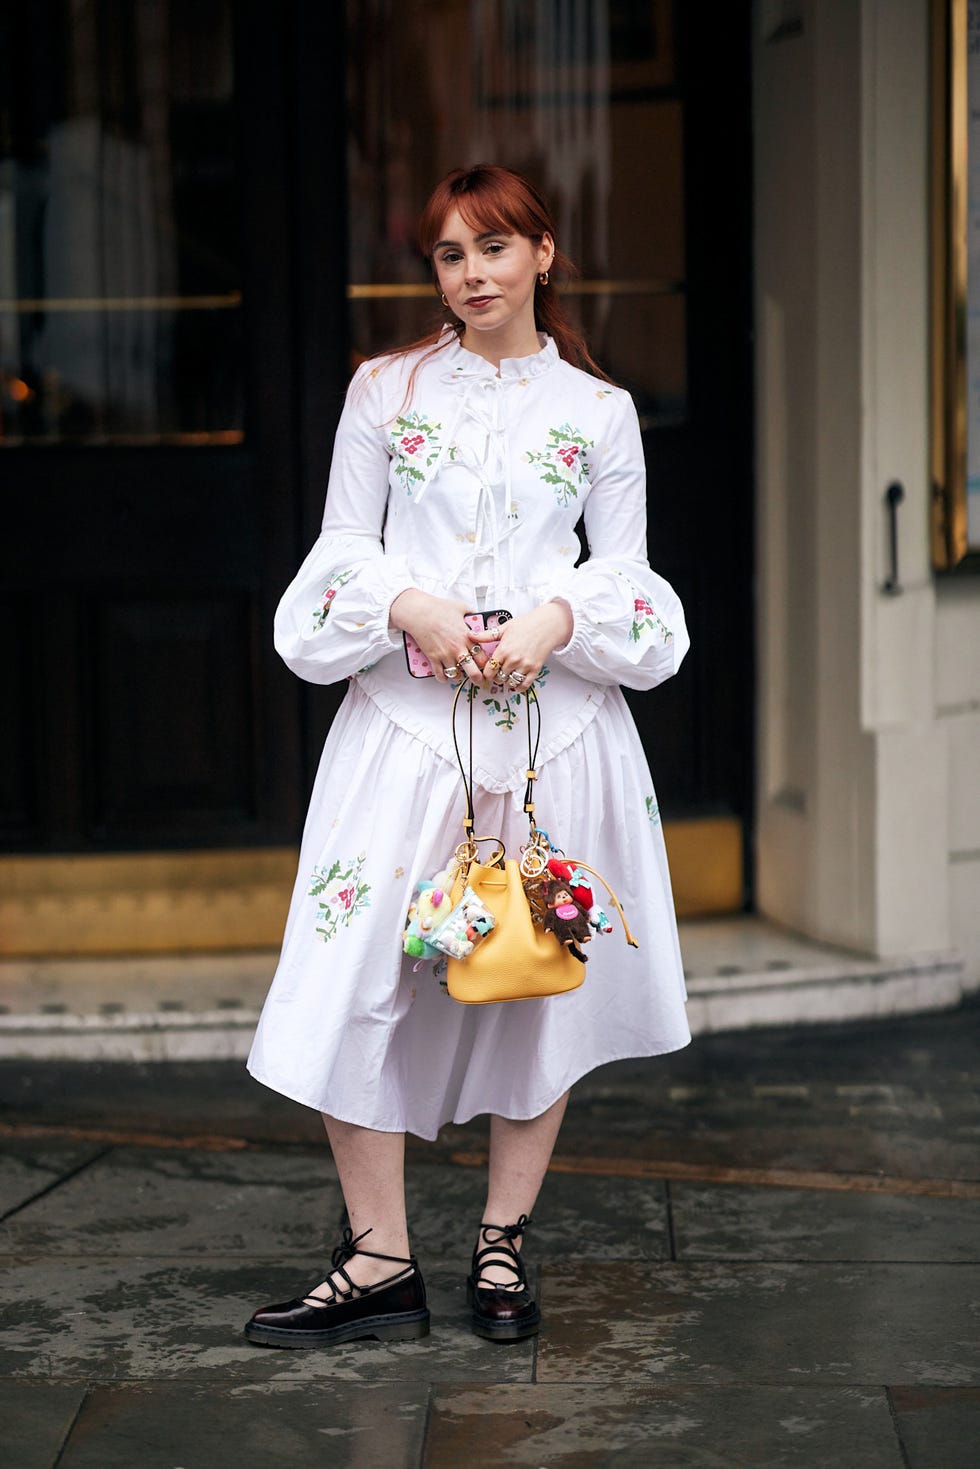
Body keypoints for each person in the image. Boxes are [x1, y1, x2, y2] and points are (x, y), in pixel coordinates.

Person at [244, 164, 691, 1349]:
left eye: (494, 248)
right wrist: (406, 602)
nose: (473, 274)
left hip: (557, 739)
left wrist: (557, 619)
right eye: (450, 254)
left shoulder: (597, 411)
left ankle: (501, 1239)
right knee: (355, 982)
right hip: (402, 736)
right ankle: (379, 1255)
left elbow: (628, 574)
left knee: (536, 980)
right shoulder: (384, 391)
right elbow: (343, 543)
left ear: (543, 253)